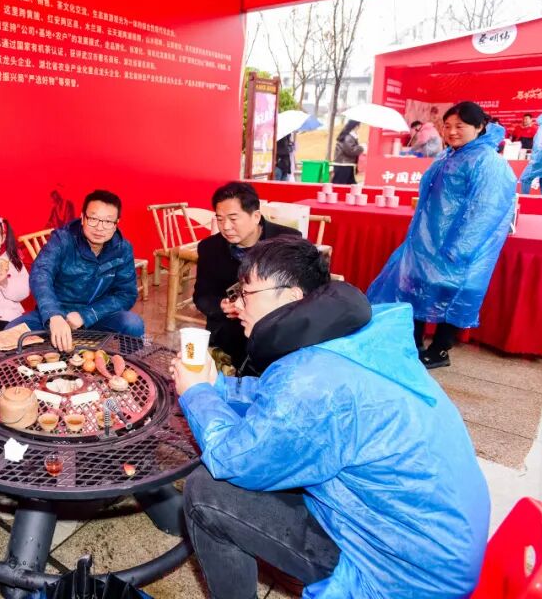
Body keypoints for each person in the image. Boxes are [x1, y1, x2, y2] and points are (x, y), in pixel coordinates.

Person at [175, 236, 489, 599]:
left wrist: (196, 394)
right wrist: (218, 386)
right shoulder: (349, 338)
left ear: (291, 297)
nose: (237, 304)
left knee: (206, 490)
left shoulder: (310, 381)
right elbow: (280, 398)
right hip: (438, 541)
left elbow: (234, 459)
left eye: (246, 293)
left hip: (403, 573)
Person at [368, 102, 516, 369]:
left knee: (451, 293)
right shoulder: (449, 154)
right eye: (447, 126)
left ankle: (440, 350)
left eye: (460, 126)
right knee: (414, 287)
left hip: (456, 245)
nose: (452, 131)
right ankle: (413, 344)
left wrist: (460, 247)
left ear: (479, 127)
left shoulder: (488, 161)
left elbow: (485, 209)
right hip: (428, 241)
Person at [7, 189, 141, 351]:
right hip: (58, 312)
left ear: (116, 224)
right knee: (11, 333)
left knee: (133, 324)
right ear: (83, 218)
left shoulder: (122, 249)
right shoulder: (63, 239)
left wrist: (86, 315)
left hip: (97, 316)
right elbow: (41, 274)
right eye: (93, 219)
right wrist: (53, 315)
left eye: (108, 221)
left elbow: (126, 295)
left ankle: (124, 364)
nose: (100, 228)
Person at [192, 182, 300, 367]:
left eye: (233, 218)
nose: (226, 227)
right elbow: (202, 296)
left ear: (256, 216)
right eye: (220, 219)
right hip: (230, 330)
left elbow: (306, 292)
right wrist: (222, 305)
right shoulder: (209, 248)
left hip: (276, 328)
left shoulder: (288, 242)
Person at [330, 119, 364, 184]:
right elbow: (351, 150)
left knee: (349, 184)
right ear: (356, 126)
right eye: (359, 126)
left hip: (345, 164)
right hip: (344, 165)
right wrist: (362, 148)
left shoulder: (347, 136)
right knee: (341, 185)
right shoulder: (348, 137)